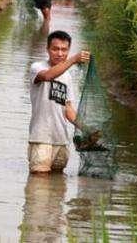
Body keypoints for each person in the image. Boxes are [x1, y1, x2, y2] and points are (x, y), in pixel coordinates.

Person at [28, 30, 90, 174]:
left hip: (61, 139)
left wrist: (86, 128)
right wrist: (73, 60)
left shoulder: (67, 76)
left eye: (64, 50)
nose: (60, 54)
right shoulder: (37, 67)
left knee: (58, 183)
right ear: (47, 49)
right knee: (39, 181)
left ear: (68, 50)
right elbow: (48, 76)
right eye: (55, 49)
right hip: (41, 137)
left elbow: (67, 109)